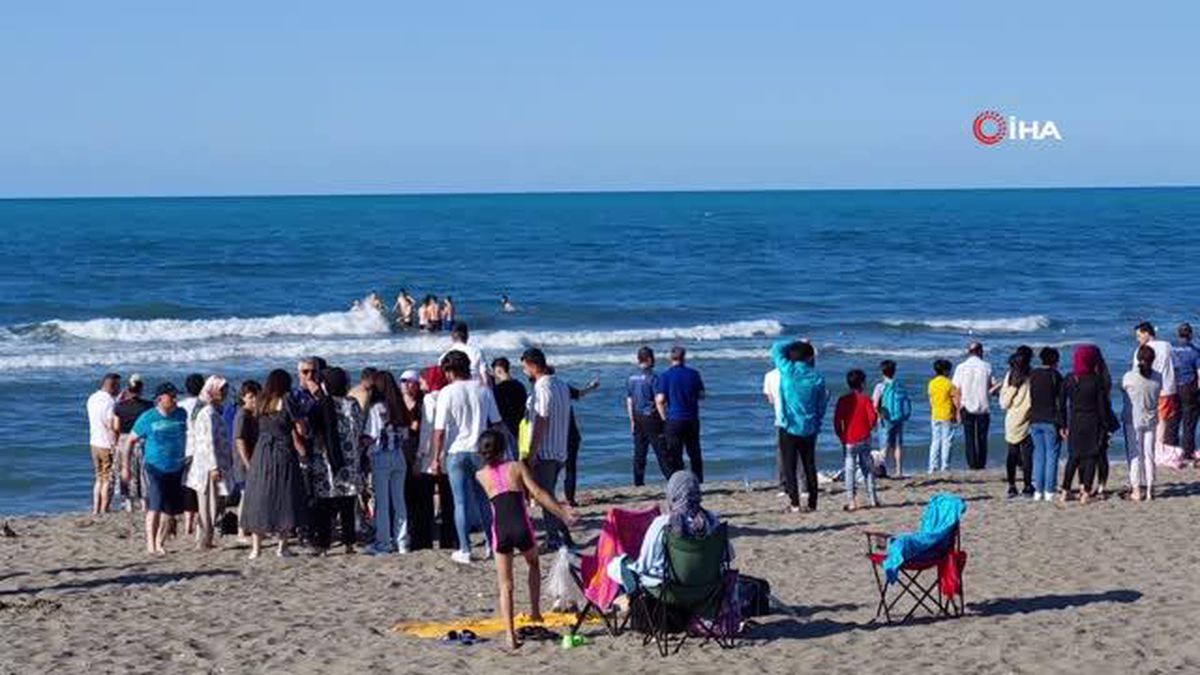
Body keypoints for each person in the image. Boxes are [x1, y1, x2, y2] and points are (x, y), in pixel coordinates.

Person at [474, 430, 577, 651]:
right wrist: (562, 513)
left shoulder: (480, 475)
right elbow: (538, 494)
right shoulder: (517, 467)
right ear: (503, 448)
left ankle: (510, 635)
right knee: (533, 564)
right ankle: (535, 611)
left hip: (500, 529)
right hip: (521, 526)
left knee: (505, 585)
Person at [606, 470, 732, 594]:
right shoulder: (711, 519)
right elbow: (729, 555)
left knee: (614, 566)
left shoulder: (663, 523)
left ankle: (629, 598)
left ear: (672, 494)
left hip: (669, 592)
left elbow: (643, 566)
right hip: (707, 590)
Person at [432, 350, 504, 563]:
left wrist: (436, 457)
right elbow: (497, 422)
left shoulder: (447, 392)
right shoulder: (483, 390)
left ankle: (465, 548)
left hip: (456, 450)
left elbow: (439, 430)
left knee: (460, 503)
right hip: (481, 450)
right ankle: (492, 545)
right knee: (484, 501)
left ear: (451, 371)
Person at [241, 369, 309, 559]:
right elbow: (300, 428)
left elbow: (255, 420)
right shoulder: (287, 400)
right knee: (285, 495)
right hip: (283, 450)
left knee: (259, 495)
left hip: (262, 451)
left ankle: (256, 548)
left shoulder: (261, 400)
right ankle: (282, 546)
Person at [521, 347, 573, 551]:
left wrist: (532, 453)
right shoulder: (561, 385)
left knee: (545, 497)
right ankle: (563, 537)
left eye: (525, 367)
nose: (524, 371)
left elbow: (541, 420)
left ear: (533, 366)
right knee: (548, 495)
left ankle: (554, 538)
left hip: (547, 450)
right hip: (560, 447)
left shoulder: (542, 387)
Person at [310, 367, 366, 554]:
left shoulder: (321, 404)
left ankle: (323, 545)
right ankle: (349, 543)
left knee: (324, 505)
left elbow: (313, 431)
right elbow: (358, 427)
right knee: (348, 504)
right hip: (350, 460)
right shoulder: (353, 403)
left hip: (326, 460)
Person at [128, 383, 188, 554]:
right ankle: (150, 545)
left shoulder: (181, 414)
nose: (175, 399)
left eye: (176, 396)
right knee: (155, 506)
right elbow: (130, 441)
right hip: (155, 468)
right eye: (172, 396)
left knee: (170, 511)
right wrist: (126, 467)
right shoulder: (148, 417)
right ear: (160, 398)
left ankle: (160, 543)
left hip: (176, 467)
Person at [770, 338, 829, 513]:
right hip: (809, 427)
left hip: (789, 426)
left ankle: (795, 503)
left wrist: (796, 341)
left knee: (790, 465)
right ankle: (812, 503)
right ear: (810, 358)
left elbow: (776, 347)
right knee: (809, 465)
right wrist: (817, 423)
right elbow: (821, 405)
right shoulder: (818, 377)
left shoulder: (788, 370)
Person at [1059, 345, 1114, 504]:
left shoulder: (1069, 378)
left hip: (1075, 421)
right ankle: (1085, 493)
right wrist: (1106, 426)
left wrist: (1063, 425)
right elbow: (1101, 407)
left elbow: (1061, 404)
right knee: (1090, 456)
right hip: (1093, 421)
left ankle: (1065, 491)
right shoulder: (1096, 381)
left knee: (1073, 457)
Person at [365, 370, 412, 555]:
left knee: (383, 503)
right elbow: (406, 435)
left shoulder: (377, 407)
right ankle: (402, 542)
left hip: (381, 455)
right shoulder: (399, 406)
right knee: (399, 501)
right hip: (398, 455)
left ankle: (383, 542)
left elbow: (372, 434)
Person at [185, 376, 233, 549]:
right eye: (221, 389)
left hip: (213, 465)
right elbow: (207, 442)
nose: (225, 393)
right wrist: (213, 467)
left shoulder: (212, 410)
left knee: (213, 504)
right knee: (208, 504)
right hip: (207, 467)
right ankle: (205, 540)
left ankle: (206, 539)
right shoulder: (207, 413)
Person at [415, 365, 458, 550]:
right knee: (448, 502)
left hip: (430, 457)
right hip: (449, 454)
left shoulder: (429, 400)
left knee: (425, 502)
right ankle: (448, 540)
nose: (420, 381)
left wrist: (420, 455)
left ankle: (424, 540)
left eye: (423, 378)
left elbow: (428, 430)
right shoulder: (450, 396)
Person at [654, 346, 706, 481]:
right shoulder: (694, 374)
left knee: (676, 454)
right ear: (684, 357)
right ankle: (698, 480)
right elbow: (701, 395)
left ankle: (680, 481)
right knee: (694, 452)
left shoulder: (665, 376)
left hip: (674, 419)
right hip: (691, 418)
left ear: (671, 358)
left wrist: (664, 418)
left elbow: (660, 400)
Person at [1134, 322, 1179, 464]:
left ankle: (1151, 449)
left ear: (1147, 333)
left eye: (1139, 335)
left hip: (1148, 388)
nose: (1137, 339)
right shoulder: (1167, 345)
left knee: (1148, 419)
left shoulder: (1141, 350)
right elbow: (1176, 365)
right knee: (1162, 421)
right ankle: (1158, 448)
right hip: (1167, 387)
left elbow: (1136, 371)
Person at [834, 369, 879, 510]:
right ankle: (872, 499)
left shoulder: (843, 400)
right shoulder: (865, 399)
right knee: (868, 469)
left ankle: (852, 501)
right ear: (862, 383)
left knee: (849, 470)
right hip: (864, 438)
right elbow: (873, 418)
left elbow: (836, 421)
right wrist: (869, 428)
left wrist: (841, 436)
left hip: (849, 440)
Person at [1123, 345, 1162, 501]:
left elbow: (1123, 388)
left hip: (1133, 419)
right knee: (1149, 454)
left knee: (1135, 455)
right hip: (1151, 418)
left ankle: (1137, 489)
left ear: (1138, 359)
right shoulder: (1158, 377)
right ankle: (1150, 489)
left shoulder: (1129, 376)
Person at [952, 343, 998, 470]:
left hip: (966, 406)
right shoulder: (987, 366)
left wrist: (956, 410)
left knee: (969, 437)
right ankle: (981, 464)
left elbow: (956, 390)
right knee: (982, 438)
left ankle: (972, 464)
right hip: (983, 406)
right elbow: (991, 387)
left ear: (969, 352)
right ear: (980, 352)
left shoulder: (961, 367)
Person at [1028, 348, 1065, 501]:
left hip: (1035, 418)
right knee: (1052, 455)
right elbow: (1061, 403)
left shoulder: (1033, 374)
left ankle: (1038, 491)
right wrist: (1064, 423)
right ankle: (1049, 490)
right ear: (1055, 361)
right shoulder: (1055, 376)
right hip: (1051, 419)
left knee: (1038, 455)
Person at [628, 346, 669, 486]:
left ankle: (638, 482)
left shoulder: (631, 378)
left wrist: (631, 420)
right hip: (651, 417)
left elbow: (629, 400)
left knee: (639, 452)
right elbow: (659, 401)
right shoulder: (654, 378)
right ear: (650, 359)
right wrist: (665, 419)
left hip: (637, 416)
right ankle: (670, 478)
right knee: (661, 451)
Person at [112, 374, 153, 511]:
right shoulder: (148, 406)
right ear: (141, 389)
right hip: (142, 441)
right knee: (142, 473)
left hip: (124, 440)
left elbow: (116, 427)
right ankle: (144, 503)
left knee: (125, 471)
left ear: (127, 389)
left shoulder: (119, 406)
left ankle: (129, 503)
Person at [999, 349, 1034, 499]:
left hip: (1012, 419)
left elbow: (1004, 403)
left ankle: (1012, 486)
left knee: (1012, 454)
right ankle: (1027, 485)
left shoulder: (1010, 377)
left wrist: (1012, 388)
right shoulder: (1032, 376)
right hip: (1029, 419)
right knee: (1027, 455)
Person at [562, 374, 600, 507]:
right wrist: (591, 387)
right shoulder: (563, 387)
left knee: (552, 469)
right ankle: (570, 499)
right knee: (570, 468)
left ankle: (543, 498)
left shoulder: (541, 390)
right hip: (571, 434)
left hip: (556, 437)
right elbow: (579, 394)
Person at [86, 373, 120, 515]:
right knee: (108, 479)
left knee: (99, 477)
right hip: (107, 443)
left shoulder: (92, 398)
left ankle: (95, 508)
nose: (119, 388)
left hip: (94, 441)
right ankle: (104, 508)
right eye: (117, 385)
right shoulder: (110, 402)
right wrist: (116, 444)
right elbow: (111, 425)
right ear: (111, 386)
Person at [232, 380, 261, 542]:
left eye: (256, 396)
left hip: (253, 461)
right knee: (245, 496)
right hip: (244, 463)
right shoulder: (242, 415)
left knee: (251, 495)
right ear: (243, 398)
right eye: (250, 397)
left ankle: (248, 528)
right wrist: (248, 463)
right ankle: (241, 531)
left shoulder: (252, 415)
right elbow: (239, 440)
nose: (254, 400)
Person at [872, 360, 911, 478]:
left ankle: (882, 469)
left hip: (885, 418)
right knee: (898, 444)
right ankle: (899, 471)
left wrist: (877, 417)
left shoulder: (880, 386)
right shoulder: (899, 385)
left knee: (885, 444)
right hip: (898, 418)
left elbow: (875, 404)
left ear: (882, 372)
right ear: (894, 372)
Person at [178, 372, 206, 533]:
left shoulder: (181, 405)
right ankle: (197, 522)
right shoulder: (204, 405)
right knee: (199, 486)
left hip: (185, 448)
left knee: (187, 484)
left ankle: (188, 522)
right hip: (200, 449)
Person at [1171, 323, 1199, 461]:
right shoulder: (1195, 351)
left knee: (1174, 419)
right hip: (1189, 387)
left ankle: (1172, 449)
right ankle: (1187, 451)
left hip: (1174, 386)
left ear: (1178, 334)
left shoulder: (1172, 350)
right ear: (1191, 335)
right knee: (1189, 420)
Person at [927, 360, 957, 474]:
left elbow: (931, 399)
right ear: (945, 371)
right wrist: (957, 413)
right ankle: (945, 466)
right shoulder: (949, 384)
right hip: (947, 414)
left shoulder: (931, 383)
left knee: (935, 441)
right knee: (947, 441)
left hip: (935, 414)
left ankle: (932, 466)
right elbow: (955, 401)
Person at [441, 322, 489, 386]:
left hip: (454, 390)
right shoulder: (476, 351)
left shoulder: (444, 355)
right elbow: (485, 378)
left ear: (452, 337)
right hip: (475, 389)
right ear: (467, 336)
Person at [492, 357, 527, 439]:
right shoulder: (520, 385)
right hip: (520, 426)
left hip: (506, 428)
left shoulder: (499, 389)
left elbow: (498, 411)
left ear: (499, 370)